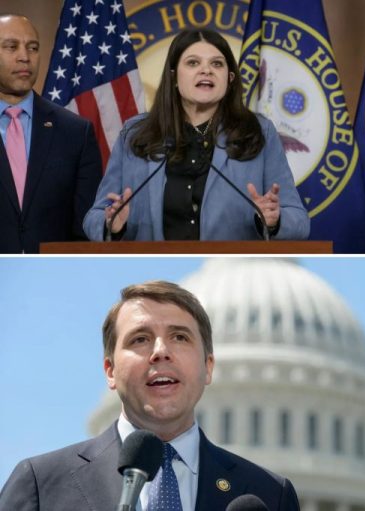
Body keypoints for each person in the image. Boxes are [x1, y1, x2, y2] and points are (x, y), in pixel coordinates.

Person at [0, 280, 300, 510]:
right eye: (140, 339)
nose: (161, 352)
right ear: (110, 371)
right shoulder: (40, 484)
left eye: (179, 337)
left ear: (208, 367)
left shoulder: (270, 495)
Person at [83, 29, 309, 242]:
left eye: (217, 64)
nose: (206, 70)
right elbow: (94, 218)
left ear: (230, 79)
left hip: (228, 272)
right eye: (193, 63)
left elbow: (299, 222)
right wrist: (112, 223)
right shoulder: (136, 133)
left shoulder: (258, 131)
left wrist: (274, 221)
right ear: (173, 77)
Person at [0, 14, 101, 253]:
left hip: (53, 274)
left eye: (32, 48)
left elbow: (84, 229)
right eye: (11, 47)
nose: (24, 57)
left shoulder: (76, 132)